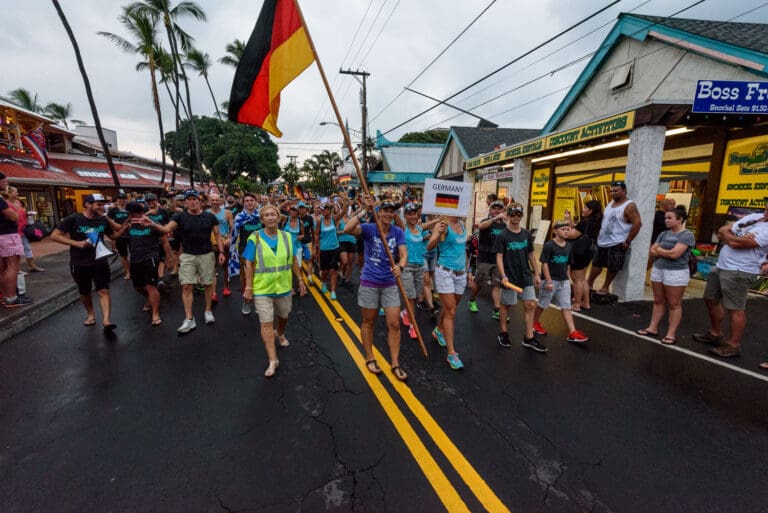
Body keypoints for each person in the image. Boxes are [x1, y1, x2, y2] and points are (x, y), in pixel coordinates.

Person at [343, 197, 409, 381]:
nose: (388, 213)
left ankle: (395, 362)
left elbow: (403, 254)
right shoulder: (369, 229)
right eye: (385, 210)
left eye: (391, 211)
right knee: (368, 322)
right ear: (378, 212)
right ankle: (370, 357)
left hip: (389, 283)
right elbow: (347, 229)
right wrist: (364, 209)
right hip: (370, 282)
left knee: (394, 324)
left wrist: (400, 267)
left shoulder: (398, 232)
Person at [692, 203, 768, 358]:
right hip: (722, 265)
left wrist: (731, 236)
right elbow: (721, 231)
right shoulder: (754, 217)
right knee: (710, 298)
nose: (767, 210)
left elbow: (735, 243)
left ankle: (733, 345)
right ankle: (715, 334)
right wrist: (730, 235)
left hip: (740, 270)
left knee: (735, 308)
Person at [242, 204, 307, 377]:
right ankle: (273, 359)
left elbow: (293, 259)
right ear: (262, 220)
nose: (271, 218)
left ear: (279, 218)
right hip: (262, 287)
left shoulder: (287, 237)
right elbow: (248, 263)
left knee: (284, 315)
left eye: (274, 215)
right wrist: (249, 287)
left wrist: (300, 280)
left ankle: (281, 333)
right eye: (267, 215)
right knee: (266, 323)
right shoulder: (254, 238)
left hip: (284, 287)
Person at [152, 189, 225, 333]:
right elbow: (166, 229)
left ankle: (208, 311)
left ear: (200, 201)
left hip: (207, 254)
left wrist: (221, 252)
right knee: (186, 286)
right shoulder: (180, 217)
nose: (192, 202)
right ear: (185, 202)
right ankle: (189, 319)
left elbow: (217, 235)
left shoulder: (209, 217)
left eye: (194, 199)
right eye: (189, 199)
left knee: (208, 284)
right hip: (187, 255)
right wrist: (150, 223)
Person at [50, 194, 126, 328]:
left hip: (99, 261)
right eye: (98, 204)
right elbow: (54, 236)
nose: (102, 207)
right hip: (79, 262)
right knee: (85, 291)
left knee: (104, 290)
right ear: (88, 204)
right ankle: (91, 314)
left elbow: (112, 235)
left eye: (103, 204)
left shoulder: (103, 220)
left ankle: (106, 321)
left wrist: (123, 231)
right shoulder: (74, 219)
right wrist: (77, 243)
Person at [636, 206, 695, 345]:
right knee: (658, 301)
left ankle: (671, 334)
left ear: (680, 219)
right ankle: (653, 328)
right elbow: (652, 250)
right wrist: (666, 251)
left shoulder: (687, 235)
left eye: (670, 218)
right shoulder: (663, 234)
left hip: (676, 272)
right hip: (659, 269)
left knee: (674, 303)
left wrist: (661, 251)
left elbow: (676, 254)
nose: (666, 220)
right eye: (666, 218)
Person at [493, 203, 544, 352]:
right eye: (513, 214)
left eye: (518, 214)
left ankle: (529, 337)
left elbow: (531, 255)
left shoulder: (526, 234)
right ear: (507, 216)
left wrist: (537, 273)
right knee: (506, 305)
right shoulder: (502, 235)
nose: (516, 217)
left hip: (525, 275)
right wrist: (503, 275)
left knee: (530, 305)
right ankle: (503, 332)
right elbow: (499, 257)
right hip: (510, 277)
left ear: (521, 216)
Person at [531, 221, 590, 344]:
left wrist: (568, 278)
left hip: (563, 281)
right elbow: (545, 264)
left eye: (568, 229)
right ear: (555, 231)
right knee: (542, 305)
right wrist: (548, 281)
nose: (567, 231)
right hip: (551, 280)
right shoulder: (549, 245)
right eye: (563, 229)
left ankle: (572, 332)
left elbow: (567, 263)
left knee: (566, 306)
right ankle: (534, 323)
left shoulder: (569, 246)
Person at [428, 215, 472, 370]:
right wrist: (439, 233)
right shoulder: (442, 224)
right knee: (451, 311)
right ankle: (451, 353)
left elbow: (462, 250)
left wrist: (469, 270)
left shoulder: (461, 224)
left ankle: (439, 329)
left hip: (461, 273)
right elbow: (430, 246)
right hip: (445, 272)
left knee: (449, 310)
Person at [587, 181, 642, 295]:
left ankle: (605, 287)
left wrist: (628, 240)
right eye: (611, 191)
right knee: (596, 264)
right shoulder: (611, 203)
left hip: (617, 242)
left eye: (616, 191)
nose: (613, 193)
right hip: (603, 241)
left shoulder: (630, 205)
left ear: (624, 191)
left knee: (613, 266)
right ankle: (589, 283)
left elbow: (637, 223)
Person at [126, 201, 163, 326]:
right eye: (131, 214)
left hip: (150, 257)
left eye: (137, 214)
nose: (134, 217)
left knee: (150, 286)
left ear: (142, 213)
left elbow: (164, 235)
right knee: (137, 287)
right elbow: (117, 231)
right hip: (135, 258)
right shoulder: (129, 222)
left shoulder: (151, 221)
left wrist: (169, 257)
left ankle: (155, 313)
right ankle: (150, 299)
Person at [399, 203, 433, 340]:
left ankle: (405, 313)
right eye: (410, 214)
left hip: (420, 266)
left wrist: (441, 217)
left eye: (415, 214)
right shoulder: (402, 228)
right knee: (411, 297)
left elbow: (431, 224)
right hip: (407, 267)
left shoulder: (419, 228)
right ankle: (413, 326)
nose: (413, 216)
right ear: (405, 216)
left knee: (418, 296)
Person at [468, 199, 506, 317]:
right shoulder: (487, 221)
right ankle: (472, 300)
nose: (497, 210)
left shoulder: (505, 225)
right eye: (494, 208)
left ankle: (497, 310)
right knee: (479, 283)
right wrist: (494, 219)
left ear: (503, 210)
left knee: (496, 284)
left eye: (499, 208)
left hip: (498, 259)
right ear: (490, 210)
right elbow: (481, 226)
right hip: (484, 258)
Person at [229, 192, 263, 315]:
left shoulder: (261, 215)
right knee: (246, 279)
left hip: (261, 250)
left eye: (251, 200)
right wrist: (232, 252)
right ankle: (246, 301)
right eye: (247, 200)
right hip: (244, 251)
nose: (249, 202)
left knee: (260, 277)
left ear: (256, 202)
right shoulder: (239, 217)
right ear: (244, 202)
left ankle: (259, 303)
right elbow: (233, 235)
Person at [0, 178, 32, 307]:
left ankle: (5, 297)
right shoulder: (1, 201)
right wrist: (16, 212)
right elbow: (14, 217)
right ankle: (11, 297)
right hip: (8, 235)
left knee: (2, 268)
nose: (6, 184)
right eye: (4, 181)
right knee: (12, 267)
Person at [565, 200, 602, 311]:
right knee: (582, 279)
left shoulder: (585, 222)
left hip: (579, 252)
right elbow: (578, 228)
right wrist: (570, 221)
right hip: (588, 251)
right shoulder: (595, 221)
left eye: (585, 208)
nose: (583, 209)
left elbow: (571, 235)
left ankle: (576, 304)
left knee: (576, 279)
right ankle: (586, 303)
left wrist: (566, 225)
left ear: (591, 211)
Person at [7, 187, 45, 273]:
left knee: (27, 247)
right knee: (15, 250)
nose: (17, 194)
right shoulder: (6, 204)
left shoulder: (18, 202)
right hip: (13, 231)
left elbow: (22, 213)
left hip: (23, 229)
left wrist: (28, 214)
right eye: (15, 192)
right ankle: (16, 269)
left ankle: (32, 266)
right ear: (9, 193)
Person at [315, 201, 345, 300]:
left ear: (330, 210)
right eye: (323, 209)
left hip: (334, 248)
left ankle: (333, 291)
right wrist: (316, 246)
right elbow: (317, 234)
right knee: (325, 270)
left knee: (333, 270)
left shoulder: (334, 219)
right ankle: (323, 282)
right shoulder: (320, 221)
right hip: (324, 249)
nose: (324, 211)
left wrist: (346, 202)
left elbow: (343, 212)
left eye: (326, 209)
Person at [207, 193, 234, 301]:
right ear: (209, 201)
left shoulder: (227, 213)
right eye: (212, 200)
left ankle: (226, 286)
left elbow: (232, 227)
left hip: (224, 242)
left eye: (216, 200)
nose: (214, 202)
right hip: (210, 243)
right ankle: (213, 293)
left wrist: (230, 238)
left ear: (221, 201)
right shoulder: (206, 213)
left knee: (225, 267)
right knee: (212, 268)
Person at [144, 193, 172, 285]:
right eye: (148, 201)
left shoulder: (163, 211)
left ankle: (160, 278)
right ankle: (153, 277)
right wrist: (147, 213)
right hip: (147, 239)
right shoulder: (144, 211)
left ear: (156, 200)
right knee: (151, 260)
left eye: (152, 200)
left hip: (161, 238)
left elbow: (168, 224)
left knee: (161, 259)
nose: (150, 202)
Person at [107, 192, 131, 280]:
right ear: (117, 200)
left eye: (124, 198)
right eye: (120, 199)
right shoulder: (113, 210)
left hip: (132, 235)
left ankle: (136, 272)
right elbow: (109, 221)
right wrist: (112, 235)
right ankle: (128, 272)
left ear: (126, 199)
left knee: (135, 254)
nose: (122, 200)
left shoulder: (130, 209)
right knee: (123, 255)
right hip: (120, 236)